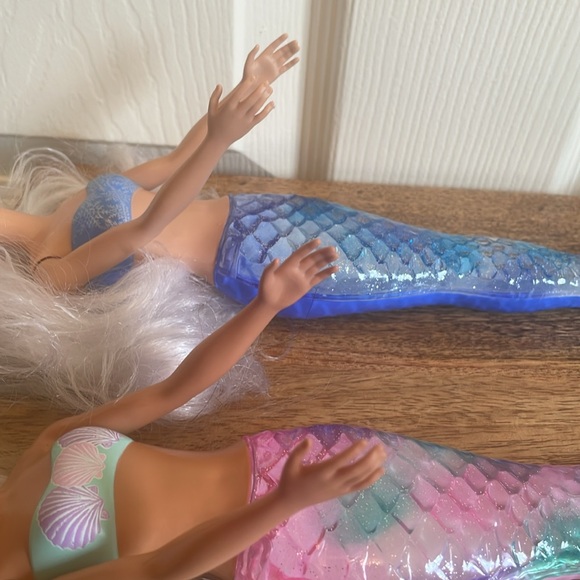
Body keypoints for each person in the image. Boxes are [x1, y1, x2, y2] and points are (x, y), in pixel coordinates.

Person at [4, 32, 580, 414]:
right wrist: (222, 139)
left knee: (444, 249)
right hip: (258, 261)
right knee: (443, 269)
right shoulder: (51, 273)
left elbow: (175, 163)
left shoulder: (65, 199)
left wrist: (248, 89)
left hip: (259, 211)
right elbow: (145, 228)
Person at [2, 244, 579, 579]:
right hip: (287, 543)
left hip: (287, 458)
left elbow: (169, 391)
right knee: (518, 543)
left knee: (498, 485)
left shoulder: (40, 450)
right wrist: (285, 503)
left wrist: (264, 306)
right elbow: (162, 568)